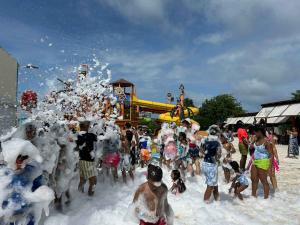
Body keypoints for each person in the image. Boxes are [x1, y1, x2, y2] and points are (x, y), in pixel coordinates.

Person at [200, 125, 222, 203]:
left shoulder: (204, 140)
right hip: (212, 165)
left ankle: (217, 201)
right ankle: (205, 204)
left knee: (214, 184)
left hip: (204, 164)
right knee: (210, 186)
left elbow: (201, 151)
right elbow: (218, 155)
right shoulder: (217, 143)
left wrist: (207, 153)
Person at [251, 125, 273, 199]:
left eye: (256, 132)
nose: (254, 134)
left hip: (263, 162)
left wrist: (270, 168)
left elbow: (271, 155)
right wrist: (252, 142)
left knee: (264, 181)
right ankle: (253, 196)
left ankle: (265, 199)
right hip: (255, 161)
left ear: (260, 132)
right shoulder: (255, 139)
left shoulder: (266, 142)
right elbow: (251, 148)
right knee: (253, 179)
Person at [76, 121, 98, 196]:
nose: (89, 127)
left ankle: (79, 196)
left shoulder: (77, 135)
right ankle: (90, 197)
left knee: (82, 180)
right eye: (88, 126)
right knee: (93, 181)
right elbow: (98, 138)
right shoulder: (90, 135)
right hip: (88, 161)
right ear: (85, 127)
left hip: (81, 160)